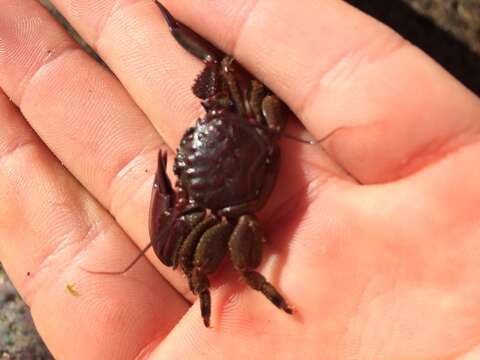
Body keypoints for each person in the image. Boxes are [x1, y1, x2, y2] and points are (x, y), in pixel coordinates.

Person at [0, 0, 479, 358]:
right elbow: (235, 75)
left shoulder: (217, 211)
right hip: (254, 136)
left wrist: (174, 185)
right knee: (224, 65)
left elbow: (185, 260)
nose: (185, 151)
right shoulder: (255, 118)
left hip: (240, 176)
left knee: (201, 261)